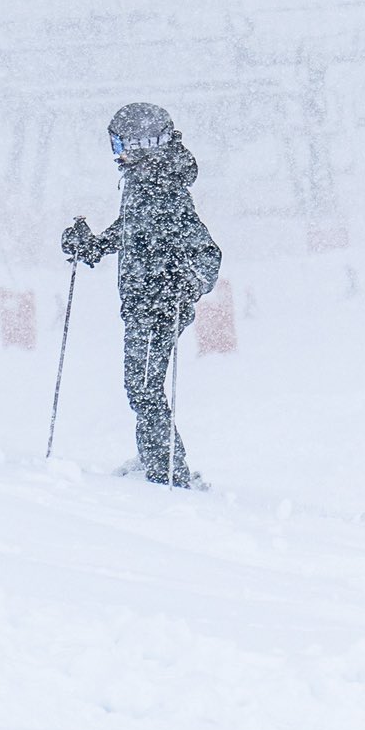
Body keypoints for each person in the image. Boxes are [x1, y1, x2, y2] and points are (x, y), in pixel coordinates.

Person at [61, 103, 222, 487]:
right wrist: (95, 246)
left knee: (143, 388)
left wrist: (186, 286)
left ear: (142, 143)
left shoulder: (163, 188)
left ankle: (168, 471)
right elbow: (134, 227)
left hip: (158, 306)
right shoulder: (143, 180)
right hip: (142, 301)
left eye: (121, 143)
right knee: (143, 387)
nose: (116, 152)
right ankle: (156, 457)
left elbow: (207, 253)